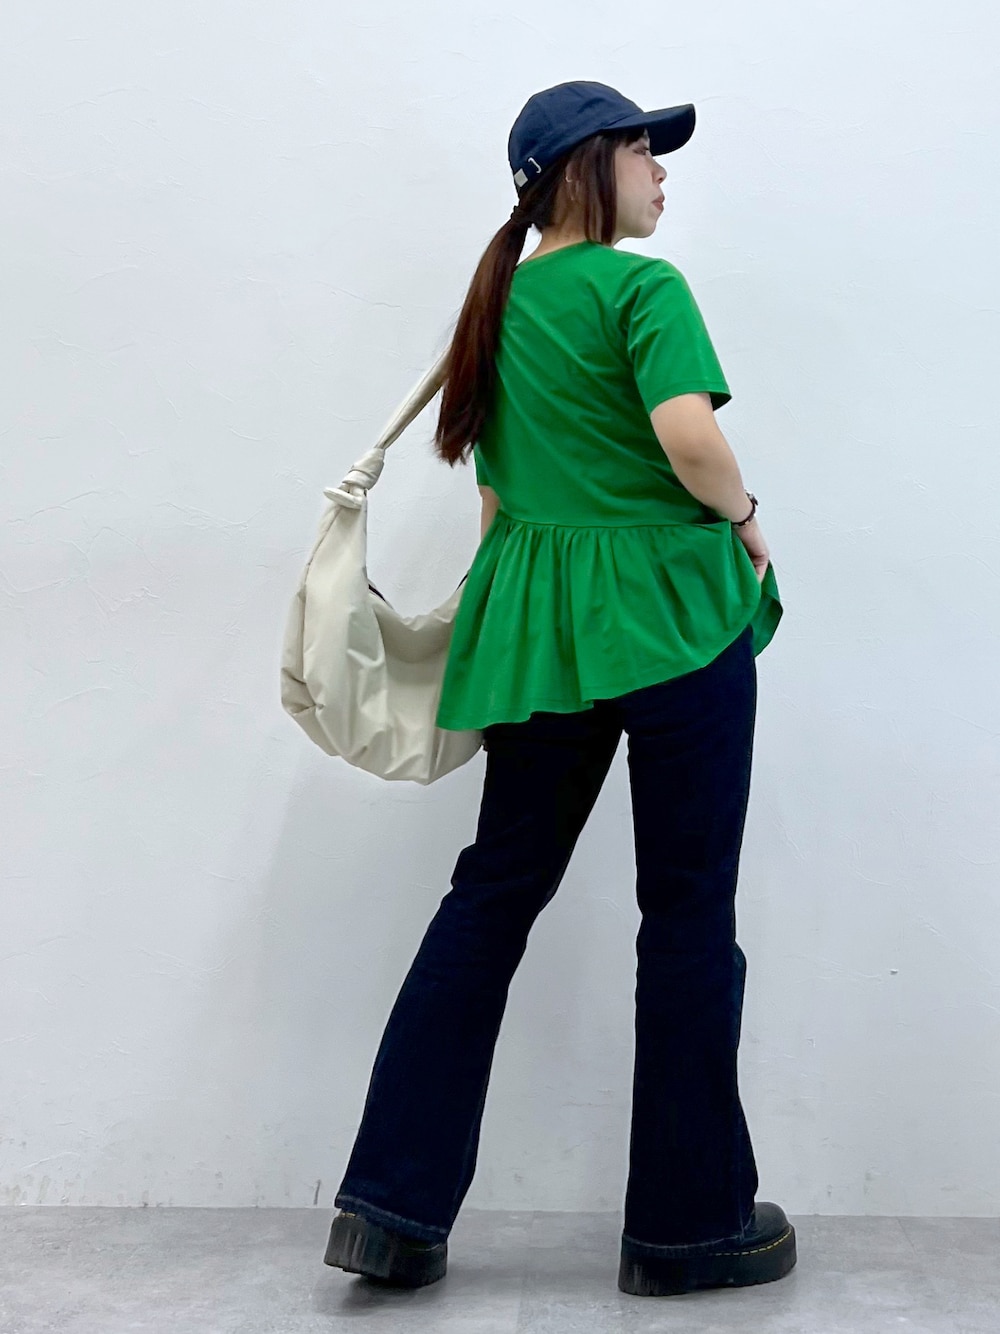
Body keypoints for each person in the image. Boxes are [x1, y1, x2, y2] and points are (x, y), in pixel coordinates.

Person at [323, 79, 796, 1298]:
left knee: (489, 896)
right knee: (686, 911)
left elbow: (496, 499)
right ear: (589, 165)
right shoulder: (644, 289)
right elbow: (687, 439)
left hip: (537, 634)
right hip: (671, 620)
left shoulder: (497, 305)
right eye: (645, 149)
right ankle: (687, 1226)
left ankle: (389, 1208)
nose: (662, 172)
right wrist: (745, 515)